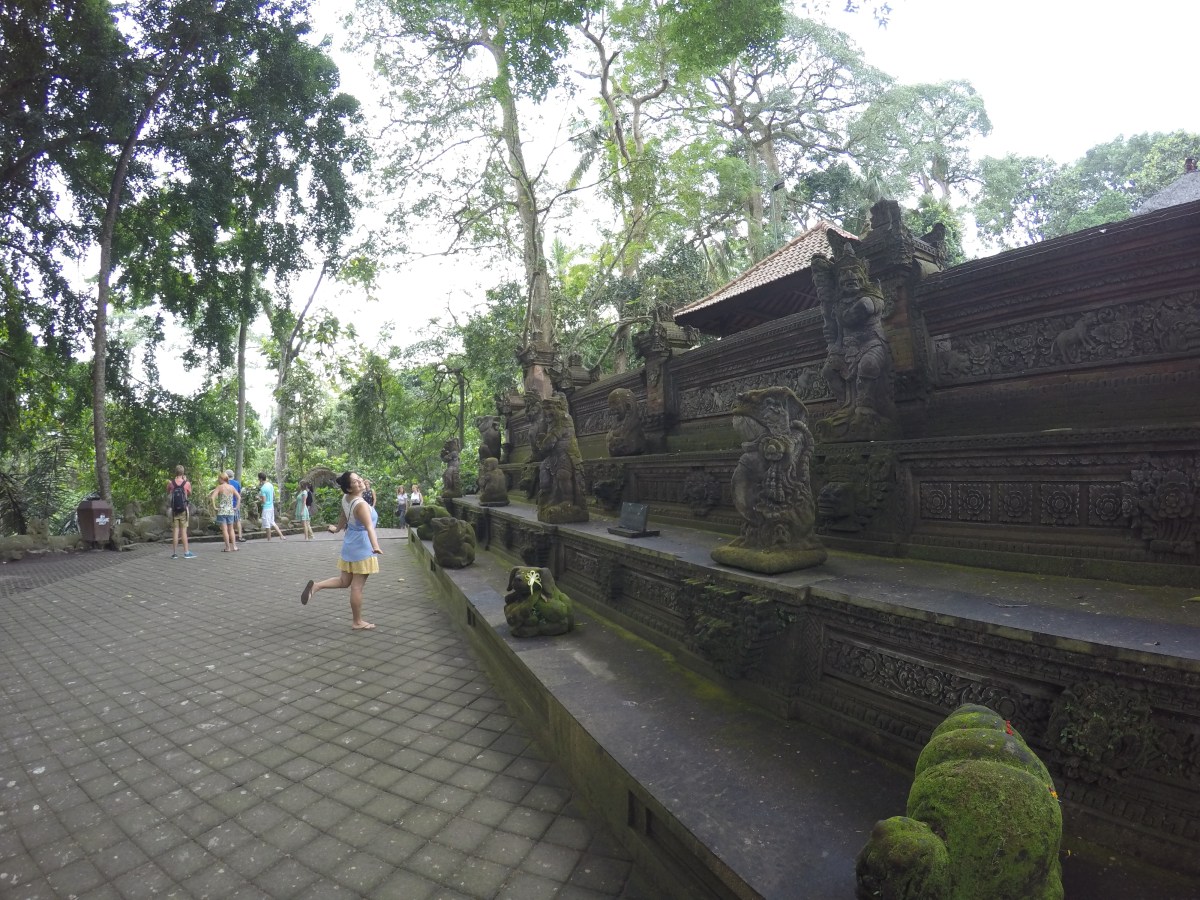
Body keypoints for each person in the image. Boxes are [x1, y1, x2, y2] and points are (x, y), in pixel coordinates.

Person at [300, 471, 382, 630]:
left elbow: (344, 516)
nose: (360, 481)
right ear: (349, 488)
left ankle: (316, 586)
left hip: (350, 544)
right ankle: (357, 622)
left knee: (344, 581)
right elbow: (369, 527)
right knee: (356, 587)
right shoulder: (361, 504)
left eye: (359, 478)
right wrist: (375, 546)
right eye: (356, 481)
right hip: (362, 546)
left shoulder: (346, 498)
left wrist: (337, 529)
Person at [167, 465, 196, 558]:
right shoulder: (186, 483)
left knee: (175, 531)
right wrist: (185, 481)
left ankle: (174, 553)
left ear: (175, 472)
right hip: (184, 510)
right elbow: (190, 493)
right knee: (183, 531)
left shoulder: (171, 483)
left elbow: (168, 492)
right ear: (183, 473)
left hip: (174, 510)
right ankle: (186, 552)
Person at [209, 472, 240, 552]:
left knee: (225, 530)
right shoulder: (232, 487)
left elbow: (212, 497)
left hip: (222, 511)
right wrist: (236, 507)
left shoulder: (219, 487)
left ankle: (227, 547)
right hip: (230, 511)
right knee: (231, 529)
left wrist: (215, 507)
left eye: (219, 478)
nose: (218, 480)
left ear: (222, 479)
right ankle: (234, 546)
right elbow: (239, 497)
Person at [257, 472, 287, 541]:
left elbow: (263, 501)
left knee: (267, 525)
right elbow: (273, 495)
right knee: (272, 522)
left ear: (261, 479)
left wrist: (258, 498)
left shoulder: (263, 488)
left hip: (266, 508)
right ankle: (281, 535)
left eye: (258, 478)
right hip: (271, 506)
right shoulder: (270, 485)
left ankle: (269, 539)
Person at [226, 469, 247, 542]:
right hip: (235, 505)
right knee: (238, 521)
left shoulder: (225, 484)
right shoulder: (237, 483)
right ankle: (240, 537)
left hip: (227, 505)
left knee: (229, 522)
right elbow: (239, 495)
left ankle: (230, 538)